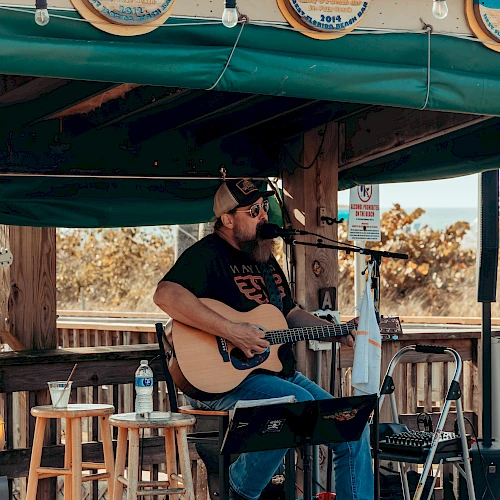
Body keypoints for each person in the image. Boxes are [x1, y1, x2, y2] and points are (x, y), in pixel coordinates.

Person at [153, 178, 373, 500]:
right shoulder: (206, 255)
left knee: (352, 425)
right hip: (224, 381)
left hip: (278, 375)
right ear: (227, 220)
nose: (263, 216)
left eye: (264, 208)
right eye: (253, 211)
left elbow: (288, 314)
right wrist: (231, 330)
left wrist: (336, 332)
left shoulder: (264, 259)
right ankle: (238, 489)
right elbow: (166, 295)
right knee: (294, 407)